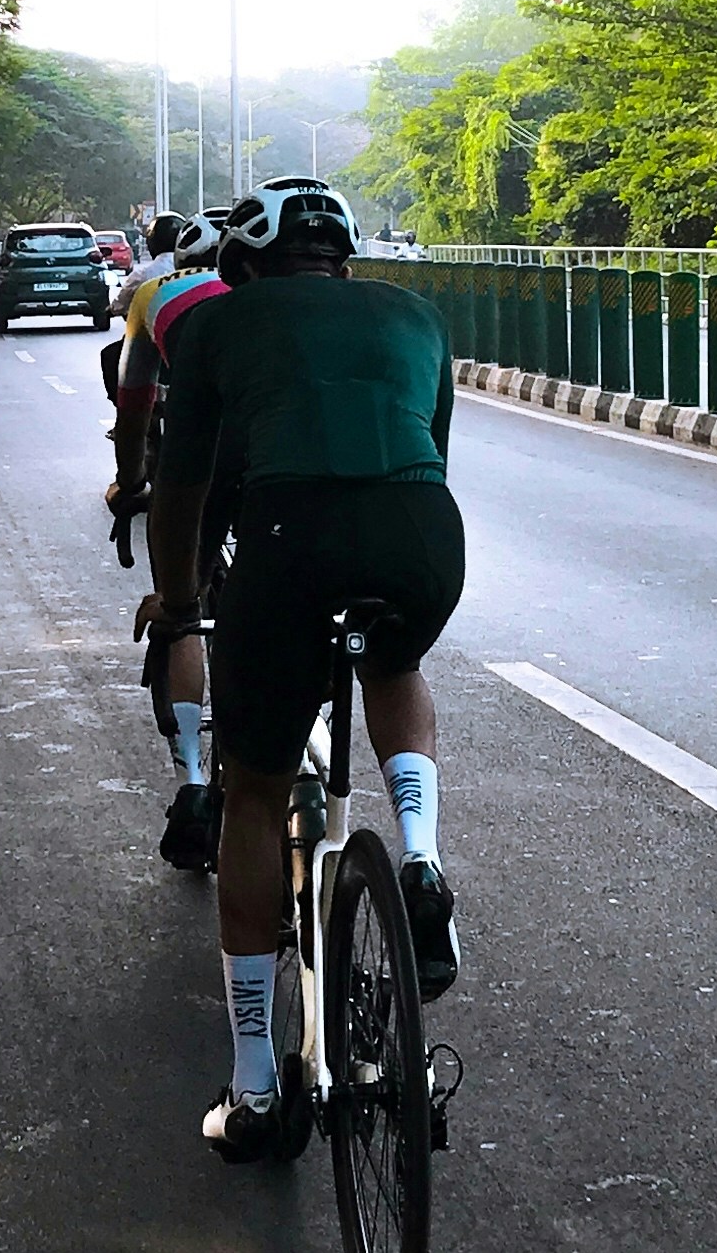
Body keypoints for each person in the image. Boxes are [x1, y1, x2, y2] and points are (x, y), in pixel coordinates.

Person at [147, 178, 464, 1158]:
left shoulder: (214, 328)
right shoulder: (416, 314)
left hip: (286, 551)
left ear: (240, 267)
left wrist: (178, 604)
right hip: (418, 543)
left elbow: (182, 490)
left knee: (256, 790)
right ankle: (419, 856)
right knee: (385, 655)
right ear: (345, 259)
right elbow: (430, 456)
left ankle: (252, 1090)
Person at [111, 212, 226, 864]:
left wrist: (129, 483)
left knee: (182, 612)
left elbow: (134, 409)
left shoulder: (161, 293)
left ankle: (191, 781)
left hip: (195, 467)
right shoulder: (283, 302)